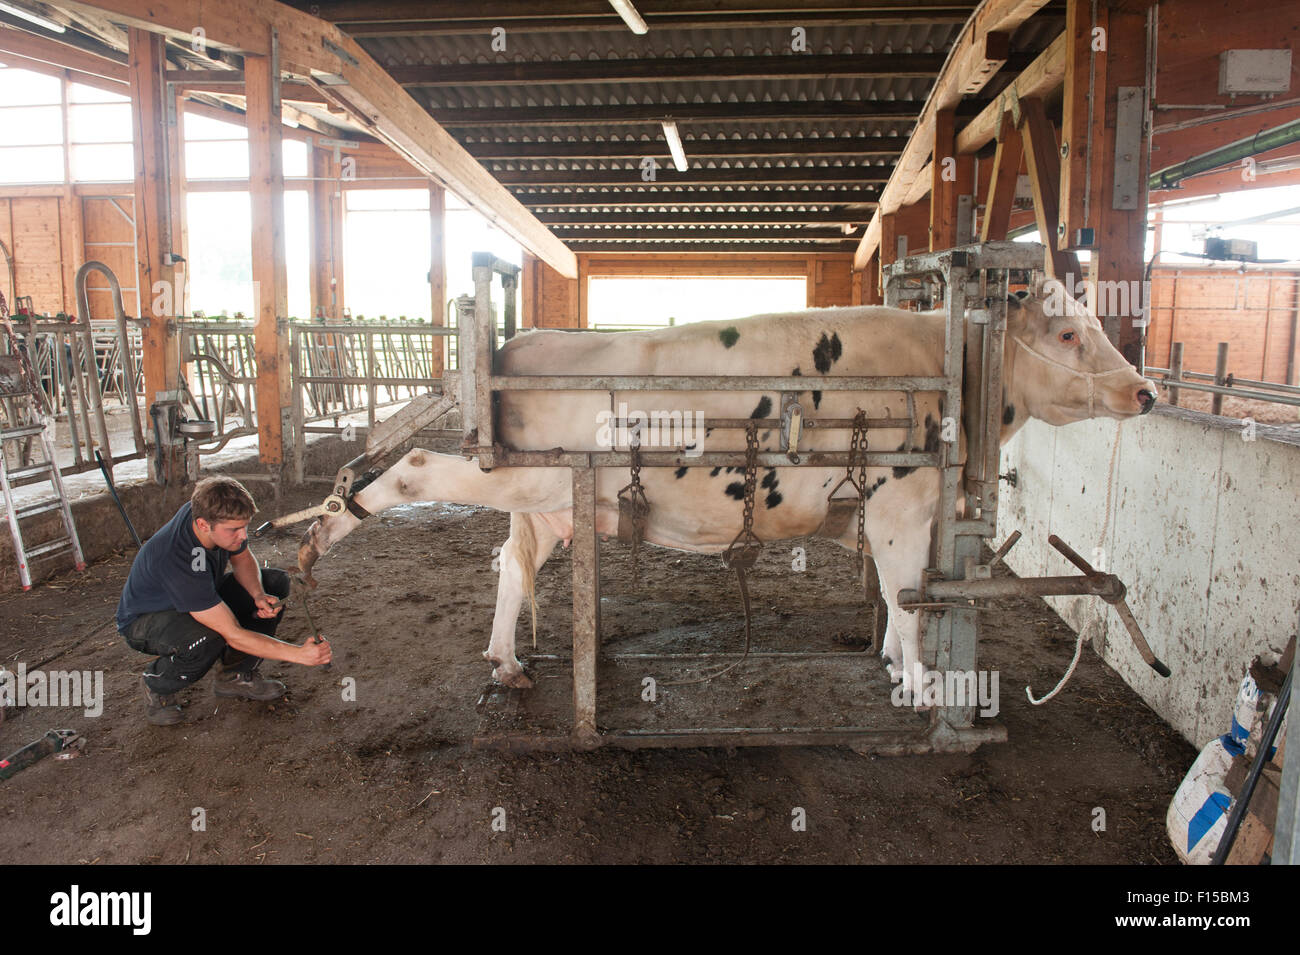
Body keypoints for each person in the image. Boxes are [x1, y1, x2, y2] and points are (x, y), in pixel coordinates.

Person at [116, 476, 331, 725]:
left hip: (199, 598)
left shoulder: (208, 509)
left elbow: (241, 558)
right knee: (206, 638)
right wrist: (299, 655)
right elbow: (233, 634)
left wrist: (258, 595)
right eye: (233, 530)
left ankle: (235, 676)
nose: (242, 536)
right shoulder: (178, 557)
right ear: (203, 525)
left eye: (245, 527)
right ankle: (157, 683)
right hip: (148, 620)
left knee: (274, 584)